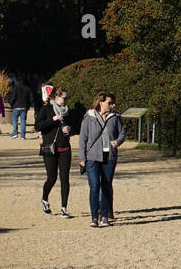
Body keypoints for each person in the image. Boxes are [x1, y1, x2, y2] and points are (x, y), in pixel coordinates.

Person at [79, 92, 124, 227]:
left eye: (113, 103)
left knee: (106, 186)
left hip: (109, 156)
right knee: (94, 186)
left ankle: (104, 216)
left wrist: (118, 141)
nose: (113, 105)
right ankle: (94, 217)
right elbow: (83, 138)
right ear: (101, 102)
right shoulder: (89, 117)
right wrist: (82, 157)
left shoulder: (115, 117)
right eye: (110, 102)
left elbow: (122, 133)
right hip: (92, 157)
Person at [34, 86, 73, 218]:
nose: (66, 100)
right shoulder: (46, 109)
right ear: (56, 98)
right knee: (52, 178)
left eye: (67, 98)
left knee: (65, 179)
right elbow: (37, 126)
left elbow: (74, 127)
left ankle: (64, 208)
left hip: (65, 148)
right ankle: (44, 199)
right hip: (50, 148)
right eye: (64, 98)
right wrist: (53, 119)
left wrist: (69, 130)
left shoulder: (67, 112)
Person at [7, 74, 33, 139]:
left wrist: (11, 103)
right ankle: (23, 135)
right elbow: (31, 99)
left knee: (14, 120)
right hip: (24, 106)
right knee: (23, 121)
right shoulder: (28, 89)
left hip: (16, 106)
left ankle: (15, 133)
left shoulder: (15, 88)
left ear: (17, 81)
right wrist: (28, 106)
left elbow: (13, 97)